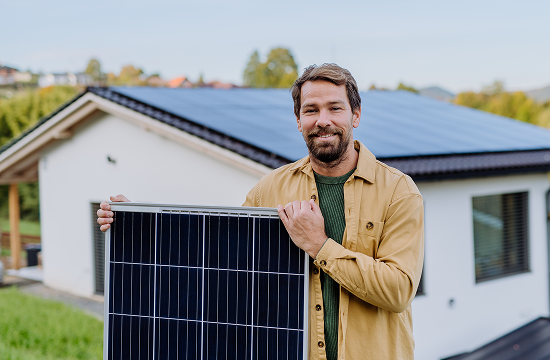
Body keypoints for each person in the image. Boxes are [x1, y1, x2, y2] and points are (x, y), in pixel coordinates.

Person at [97, 63, 424, 359]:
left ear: (355, 115)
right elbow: (216, 260)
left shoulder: (398, 191)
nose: (322, 120)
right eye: (310, 110)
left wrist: (319, 246)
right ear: (298, 121)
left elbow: (398, 291)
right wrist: (137, 222)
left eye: (334, 108)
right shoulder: (270, 189)